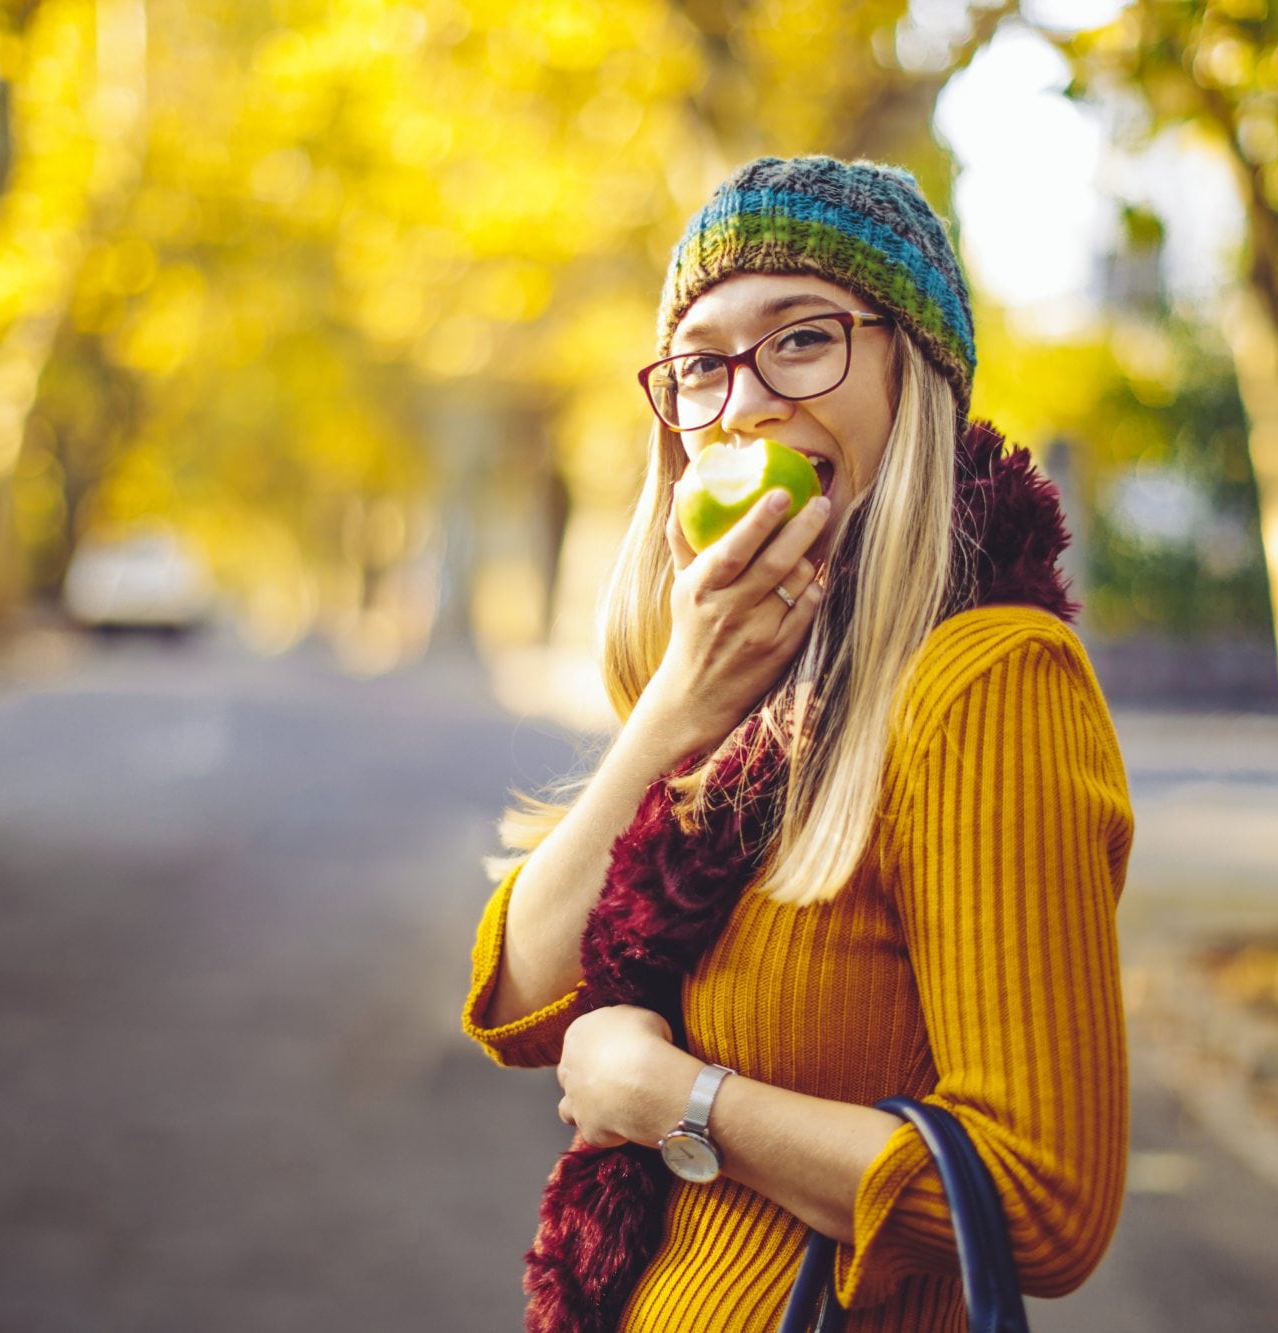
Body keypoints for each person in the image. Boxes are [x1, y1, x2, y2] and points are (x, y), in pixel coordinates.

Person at [462, 155, 1135, 1333]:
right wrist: (677, 704)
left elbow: (1039, 1202)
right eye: (703, 362)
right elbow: (519, 993)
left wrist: (678, 1100)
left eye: (802, 339)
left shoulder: (987, 683)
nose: (746, 402)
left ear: (910, 370)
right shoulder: (755, 692)